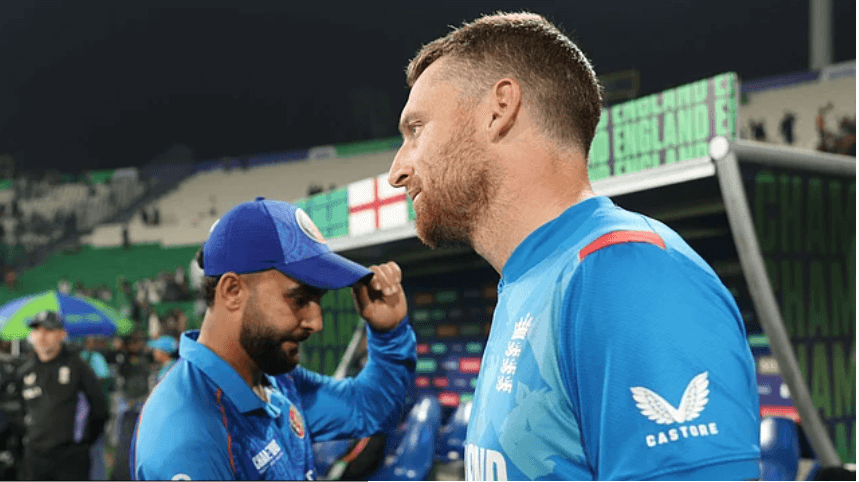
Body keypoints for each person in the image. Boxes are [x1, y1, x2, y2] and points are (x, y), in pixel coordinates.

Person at [387, 12, 761, 481]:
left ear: (499, 108)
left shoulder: (624, 273)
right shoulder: (533, 278)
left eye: (416, 129)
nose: (397, 170)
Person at [131, 197, 416, 480]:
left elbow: (370, 408)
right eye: (299, 298)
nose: (316, 323)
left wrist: (388, 334)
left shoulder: (274, 378)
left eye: (318, 300)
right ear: (232, 291)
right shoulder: (187, 436)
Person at [16, 310, 109, 480]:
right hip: (35, 458)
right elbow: (21, 413)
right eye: (37, 330)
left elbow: (99, 409)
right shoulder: (25, 372)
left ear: (61, 334)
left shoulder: (78, 367)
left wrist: (82, 444)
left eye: (48, 330)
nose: (42, 336)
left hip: (71, 459)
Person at [80, 336, 113, 480]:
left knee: (96, 447)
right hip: (82, 411)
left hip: (95, 409)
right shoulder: (80, 357)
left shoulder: (96, 358)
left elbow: (104, 377)